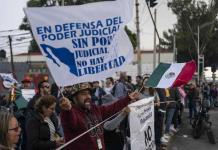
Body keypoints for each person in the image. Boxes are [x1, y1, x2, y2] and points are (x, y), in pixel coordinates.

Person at [60, 82, 139, 150]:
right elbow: (69, 121)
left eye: (89, 93)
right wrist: (67, 110)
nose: (88, 97)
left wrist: (128, 98)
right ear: (74, 98)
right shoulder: (71, 113)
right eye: (83, 94)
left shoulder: (94, 108)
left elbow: (112, 108)